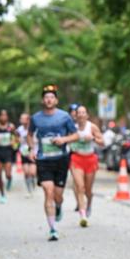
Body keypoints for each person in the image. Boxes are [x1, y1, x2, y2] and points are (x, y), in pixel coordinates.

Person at [28, 85, 79, 241]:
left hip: (61, 159)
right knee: (48, 191)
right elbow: (30, 134)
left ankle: (58, 206)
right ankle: (52, 229)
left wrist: (63, 139)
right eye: (46, 97)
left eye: (52, 97)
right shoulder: (35, 118)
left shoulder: (65, 116)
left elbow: (75, 135)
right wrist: (31, 149)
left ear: (56, 100)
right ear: (42, 101)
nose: (49, 100)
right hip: (43, 160)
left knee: (58, 196)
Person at [69, 105, 104, 227]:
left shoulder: (92, 127)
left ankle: (89, 202)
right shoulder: (72, 128)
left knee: (88, 189)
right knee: (80, 187)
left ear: (87, 115)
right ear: (75, 115)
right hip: (76, 159)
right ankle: (83, 215)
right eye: (79, 112)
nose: (81, 114)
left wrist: (93, 138)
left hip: (90, 160)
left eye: (83, 112)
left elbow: (102, 142)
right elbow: (66, 139)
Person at [0, 109, 18, 204]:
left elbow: (17, 137)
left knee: (8, 174)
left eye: (5, 115)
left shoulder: (11, 126)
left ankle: (9, 179)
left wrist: (13, 141)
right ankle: (2, 195)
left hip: (8, 151)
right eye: (2, 115)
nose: (4, 117)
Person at [17, 112, 37, 196]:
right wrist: (18, 141)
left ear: (28, 120)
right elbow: (16, 139)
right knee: (26, 172)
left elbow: (36, 139)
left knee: (32, 172)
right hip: (24, 152)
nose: (21, 120)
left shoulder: (34, 128)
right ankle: (29, 189)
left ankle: (33, 181)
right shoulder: (19, 129)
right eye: (21, 118)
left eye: (23, 118)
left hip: (33, 152)